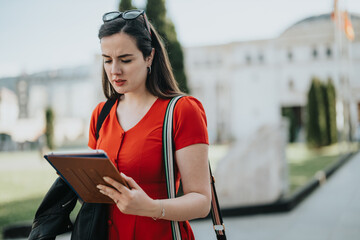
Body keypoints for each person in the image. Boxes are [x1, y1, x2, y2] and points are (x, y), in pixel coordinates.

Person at [88, 9, 211, 239]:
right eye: (107, 60)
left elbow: (202, 201)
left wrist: (151, 207)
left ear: (149, 57)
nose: (114, 70)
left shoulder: (181, 111)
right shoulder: (100, 114)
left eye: (125, 60)